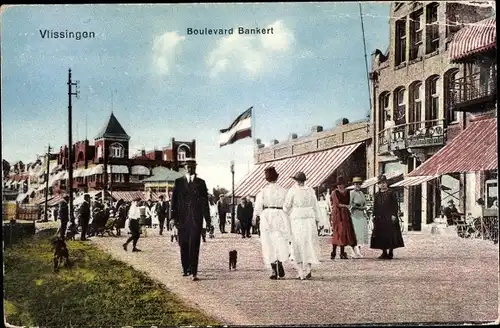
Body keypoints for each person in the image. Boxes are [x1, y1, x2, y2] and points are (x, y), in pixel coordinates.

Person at [171, 159, 211, 281]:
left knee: (194, 245)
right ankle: (185, 269)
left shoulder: (201, 183)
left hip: (196, 220)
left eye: (192, 166)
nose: (190, 168)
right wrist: (172, 217)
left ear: (195, 167)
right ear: (185, 167)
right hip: (181, 220)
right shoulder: (178, 182)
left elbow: (205, 203)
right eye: (188, 166)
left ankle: (194, 271)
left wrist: (208, 220)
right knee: (183, 244)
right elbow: (174, 201)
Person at [252, 166, 291, 280]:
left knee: (268, 242)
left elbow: (258, 207)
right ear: (277, 177)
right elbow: (287, 206)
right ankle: (280, 262)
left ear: (266, 179)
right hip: (280, 215)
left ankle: (273, 267)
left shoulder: (263, 191)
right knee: (280, 240)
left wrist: (255, 216)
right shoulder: (283, 190)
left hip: (267, 215)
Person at [283, 172, 321, 280]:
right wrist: (318, 219)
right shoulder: (310, 191)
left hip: (298, 219)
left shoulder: (293, 190)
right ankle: (308, 269)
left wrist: (287, 212)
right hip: (309, 219)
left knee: (298, 243)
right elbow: (315, 205)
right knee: (309, 243)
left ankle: (300, 272)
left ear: (296, 180)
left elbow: (286, 206)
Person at [370, 174, 405, 260]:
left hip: (389, 217)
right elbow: (375, 206)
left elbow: (395, 205)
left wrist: (394, 214)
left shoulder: (391, 193)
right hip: (380, 217)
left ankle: (391, 252)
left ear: (387, 183)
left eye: (384, 183)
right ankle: (384, 252)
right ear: (378, 185)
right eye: (381, 183)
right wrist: (374, 215)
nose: (382, 184)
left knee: (391, 234)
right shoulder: (377, 194)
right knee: (381, 235)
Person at [330, 176, 357, 260]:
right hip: (338, 214)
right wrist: (346, 206)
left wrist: (347, 206)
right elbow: (337, 203)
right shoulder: (334, 192)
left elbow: (349, 201)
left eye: (341, 184)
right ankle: (333, 252)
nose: (340, 186)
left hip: (345, 214)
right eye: (338, 184)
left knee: (344, 232)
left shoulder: (347, 192)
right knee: (338, 231)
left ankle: (342, 252)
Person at [349, 177, 369, 258]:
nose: (357, 185)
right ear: (353, 185)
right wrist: (356, 207)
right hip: (354, 215)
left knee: (360, 234)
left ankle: (358, 251)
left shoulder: (361, 193)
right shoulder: (351, 193)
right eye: (356, 184)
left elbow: (365, 204)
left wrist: (363, 207)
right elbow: (350, 205)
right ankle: (353, 251)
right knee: (355, 234)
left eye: (359, 184)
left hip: (361, 214)